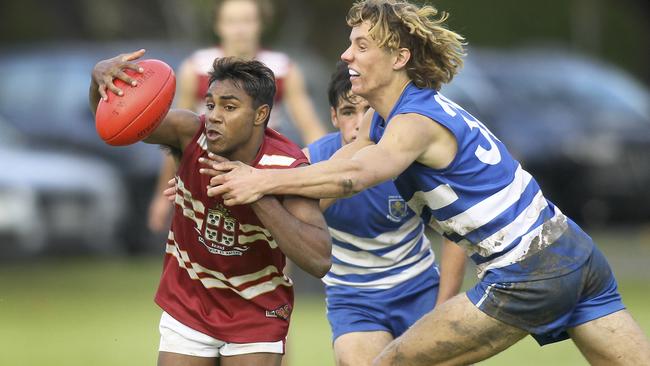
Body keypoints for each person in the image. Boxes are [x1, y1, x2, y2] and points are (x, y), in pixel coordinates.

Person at [200, 0, 650, 364]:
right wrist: (251, 181)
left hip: (528, 269)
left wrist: (259, 182)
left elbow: (356, 176)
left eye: (360, 46)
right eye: (348, 44)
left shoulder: (414, 121)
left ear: (399, 57)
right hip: (572, 249)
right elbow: (343, 161)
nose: (346, 55)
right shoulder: (386, 115)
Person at [89, 50, 331, 366]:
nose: (214, 115)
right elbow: (115, 125)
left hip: (256, 307)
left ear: (260, 115)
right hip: (189, 298)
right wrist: (99, 81)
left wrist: (256, 192)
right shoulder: (190, 132)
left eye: (229, 107)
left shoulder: (286, 166)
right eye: (211, 104)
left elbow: (319, 259)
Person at [305, 61, 466, 365]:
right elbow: (292, 220)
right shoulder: (313, 162)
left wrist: (442, 309)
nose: (358, 123)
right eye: (348, 112)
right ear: (334, 117)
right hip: (354, 299)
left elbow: (457, 231)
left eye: (368, 111)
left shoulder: (409, 157)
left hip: (418, 287)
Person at [148, 0, 327, 233]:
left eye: (247, 20)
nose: (240, 29)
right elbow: (175, 137)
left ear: (260, 24)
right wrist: (161, 196)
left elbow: (311, 127)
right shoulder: (196, 68)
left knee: (277, 242)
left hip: (264, 170)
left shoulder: (283, 69)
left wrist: (327, 172)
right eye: (232, 21)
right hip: (207, 169)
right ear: (218, 26)